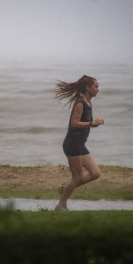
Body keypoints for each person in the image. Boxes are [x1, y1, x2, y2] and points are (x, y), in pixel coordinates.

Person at [54, 75, 105, 211]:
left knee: (95, 173)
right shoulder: (80, 103)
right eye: (96, 87)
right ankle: (61, 205)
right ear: (87, 87)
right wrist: (91, 123)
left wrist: (95, 123)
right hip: (72, 144)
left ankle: (65, 189)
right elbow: (74, 124)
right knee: (77, 177)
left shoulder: (88, 102)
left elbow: (87, 123)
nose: (98, 90)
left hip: (80, 144)